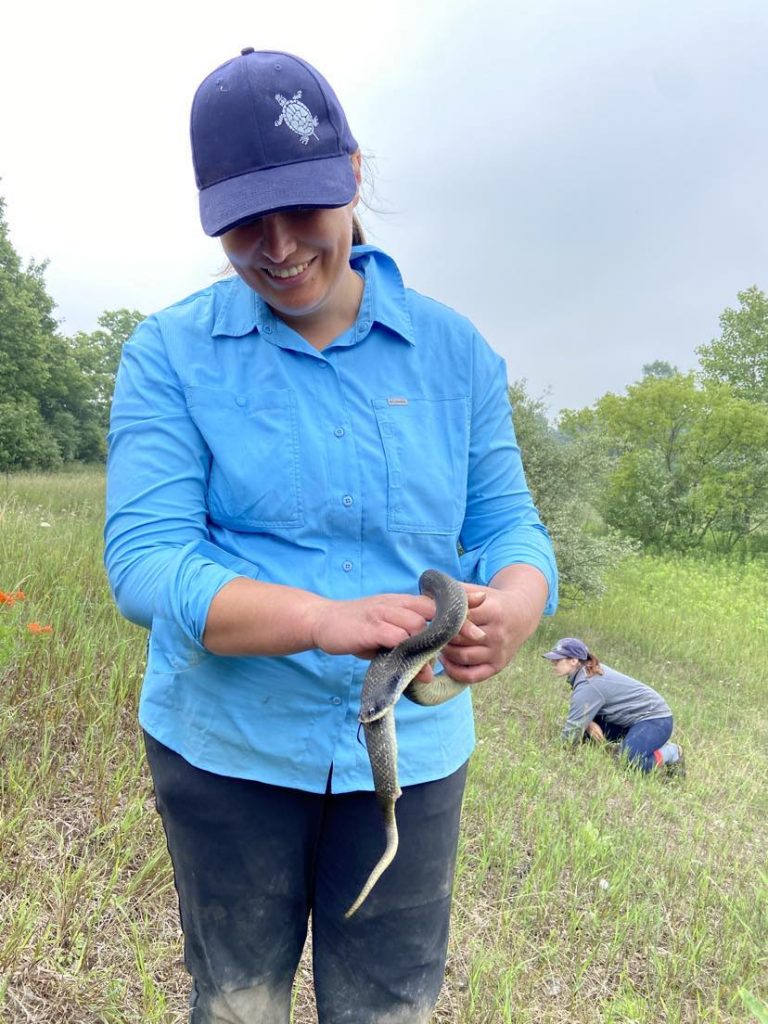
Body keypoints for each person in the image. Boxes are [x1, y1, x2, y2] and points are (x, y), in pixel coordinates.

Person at [105, 47, 557, 1024]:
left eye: (301, 208)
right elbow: (146, 562)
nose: (276, 248)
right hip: (225, 748)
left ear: (353, 173)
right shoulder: (170, 354)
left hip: (413, 754)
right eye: (242, 222)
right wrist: (319, 618)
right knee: (238, 1000)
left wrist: (519, 603)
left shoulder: (455, 352)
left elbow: (508, 524)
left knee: (386, 1008)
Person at [542, 638, 684, 775]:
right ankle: (634, 744)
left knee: (628, 763)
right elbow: (581, 717)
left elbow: (571, 734)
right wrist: (588, 724)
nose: (553, 662)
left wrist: (552, 756)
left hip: (656, 719)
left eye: (557, 659)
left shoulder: (588, 683)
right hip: (633, 719)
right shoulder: (587, 672)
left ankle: (671, 752)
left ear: (574, 660)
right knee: (586, 735)